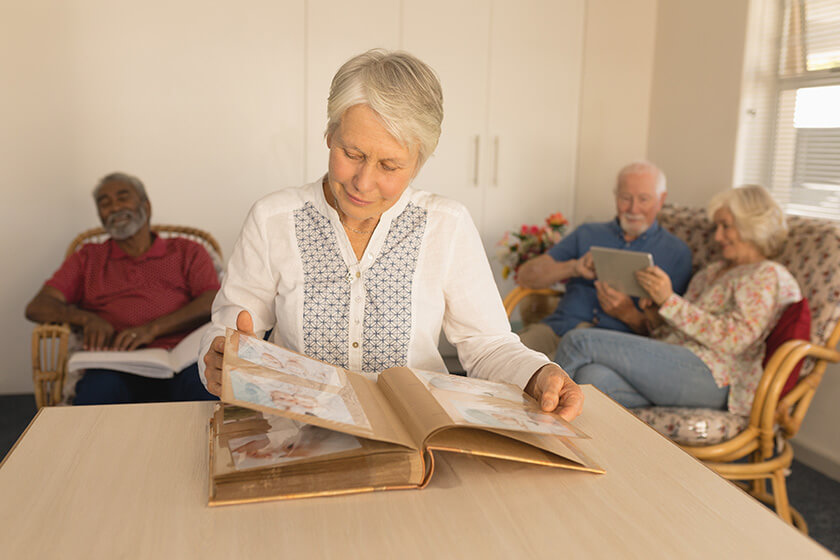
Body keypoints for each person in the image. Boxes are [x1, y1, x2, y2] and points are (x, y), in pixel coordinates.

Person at [200, 49, 583, 421]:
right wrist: (218, 359)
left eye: (389, 165)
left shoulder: (445, 225)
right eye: (352, 153)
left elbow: (488, 346)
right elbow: (228, 329)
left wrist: (539, 375)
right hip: (296, 431)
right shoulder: (274, 219)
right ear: (330, 134)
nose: (363, 183)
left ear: (418, 161)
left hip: (416, 432)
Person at [554, 185, 801, 416]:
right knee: (592, 377)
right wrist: (656, 310)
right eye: (717, 227)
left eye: (726, 226)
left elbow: (733, 340)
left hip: (716, 376)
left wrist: (670, 301)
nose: (717, 237)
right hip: (675, 361)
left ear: (752, 226)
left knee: (579, 342)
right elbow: (678, 328)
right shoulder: (712, 272)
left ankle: (535, 425)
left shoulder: (766, 274)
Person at [24, 172, 220, 405]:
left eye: (122, 197)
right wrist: (86, 319)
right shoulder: (87, 258)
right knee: (95, 398)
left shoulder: (188, 251)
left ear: (146, 206)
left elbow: (212, 299)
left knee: (209, 393)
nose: (115, 207)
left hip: (183, 359)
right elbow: (38, 306)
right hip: (117, 363)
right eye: (104, 204)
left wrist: (152, 329)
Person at [516, 162, 693, 359]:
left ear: (661, 200)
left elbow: (667, 336)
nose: (634, 209)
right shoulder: (588, 232)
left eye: (644, 199)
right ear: (616, 196)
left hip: (606, 346)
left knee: (543, 376)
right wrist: (573, 268)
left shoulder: (677, 253)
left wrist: (628, 314)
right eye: (626, 198)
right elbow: (525, 277)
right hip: (556, 328)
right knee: (501, 359)